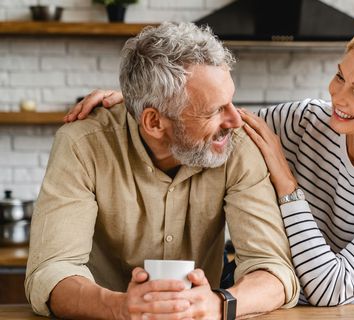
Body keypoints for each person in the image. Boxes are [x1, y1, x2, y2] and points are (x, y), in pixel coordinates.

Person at [66, 24, 354, 306]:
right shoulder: (308, 120)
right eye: (339, 76)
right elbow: (208, 118)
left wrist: (287, 184)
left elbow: (331, 289)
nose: (336, 95)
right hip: (273, 305)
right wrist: (141, 99)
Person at [26, 22, 299, 319]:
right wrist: (118, 307)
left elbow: (274, 272)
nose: (235, 119)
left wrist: (219, 305)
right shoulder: (82, 144)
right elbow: (50, 274)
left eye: (230, 101)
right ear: (154, 123)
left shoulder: (237, 146)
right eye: (213, 110)